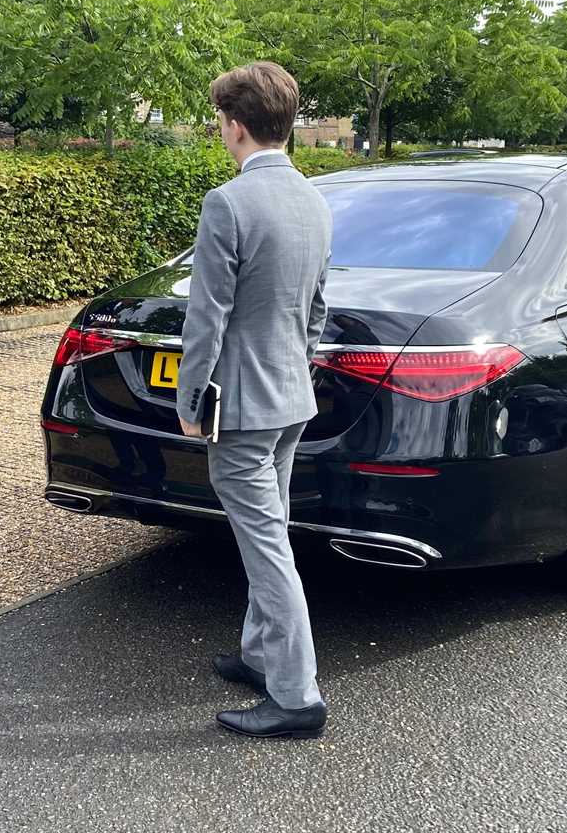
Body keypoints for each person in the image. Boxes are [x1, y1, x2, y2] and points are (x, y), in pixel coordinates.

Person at [176, 61, 333, 739]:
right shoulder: (316, 200)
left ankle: (297, 695)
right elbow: (318, 308)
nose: (221, 133)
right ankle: (260, 654)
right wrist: (293, 368)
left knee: (267, 546)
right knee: (270, 531)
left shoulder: (229, 203)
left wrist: (190, 398)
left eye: (220, 123)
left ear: (236, 126)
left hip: (241, 407)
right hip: (292, 398)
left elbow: (205, 316)